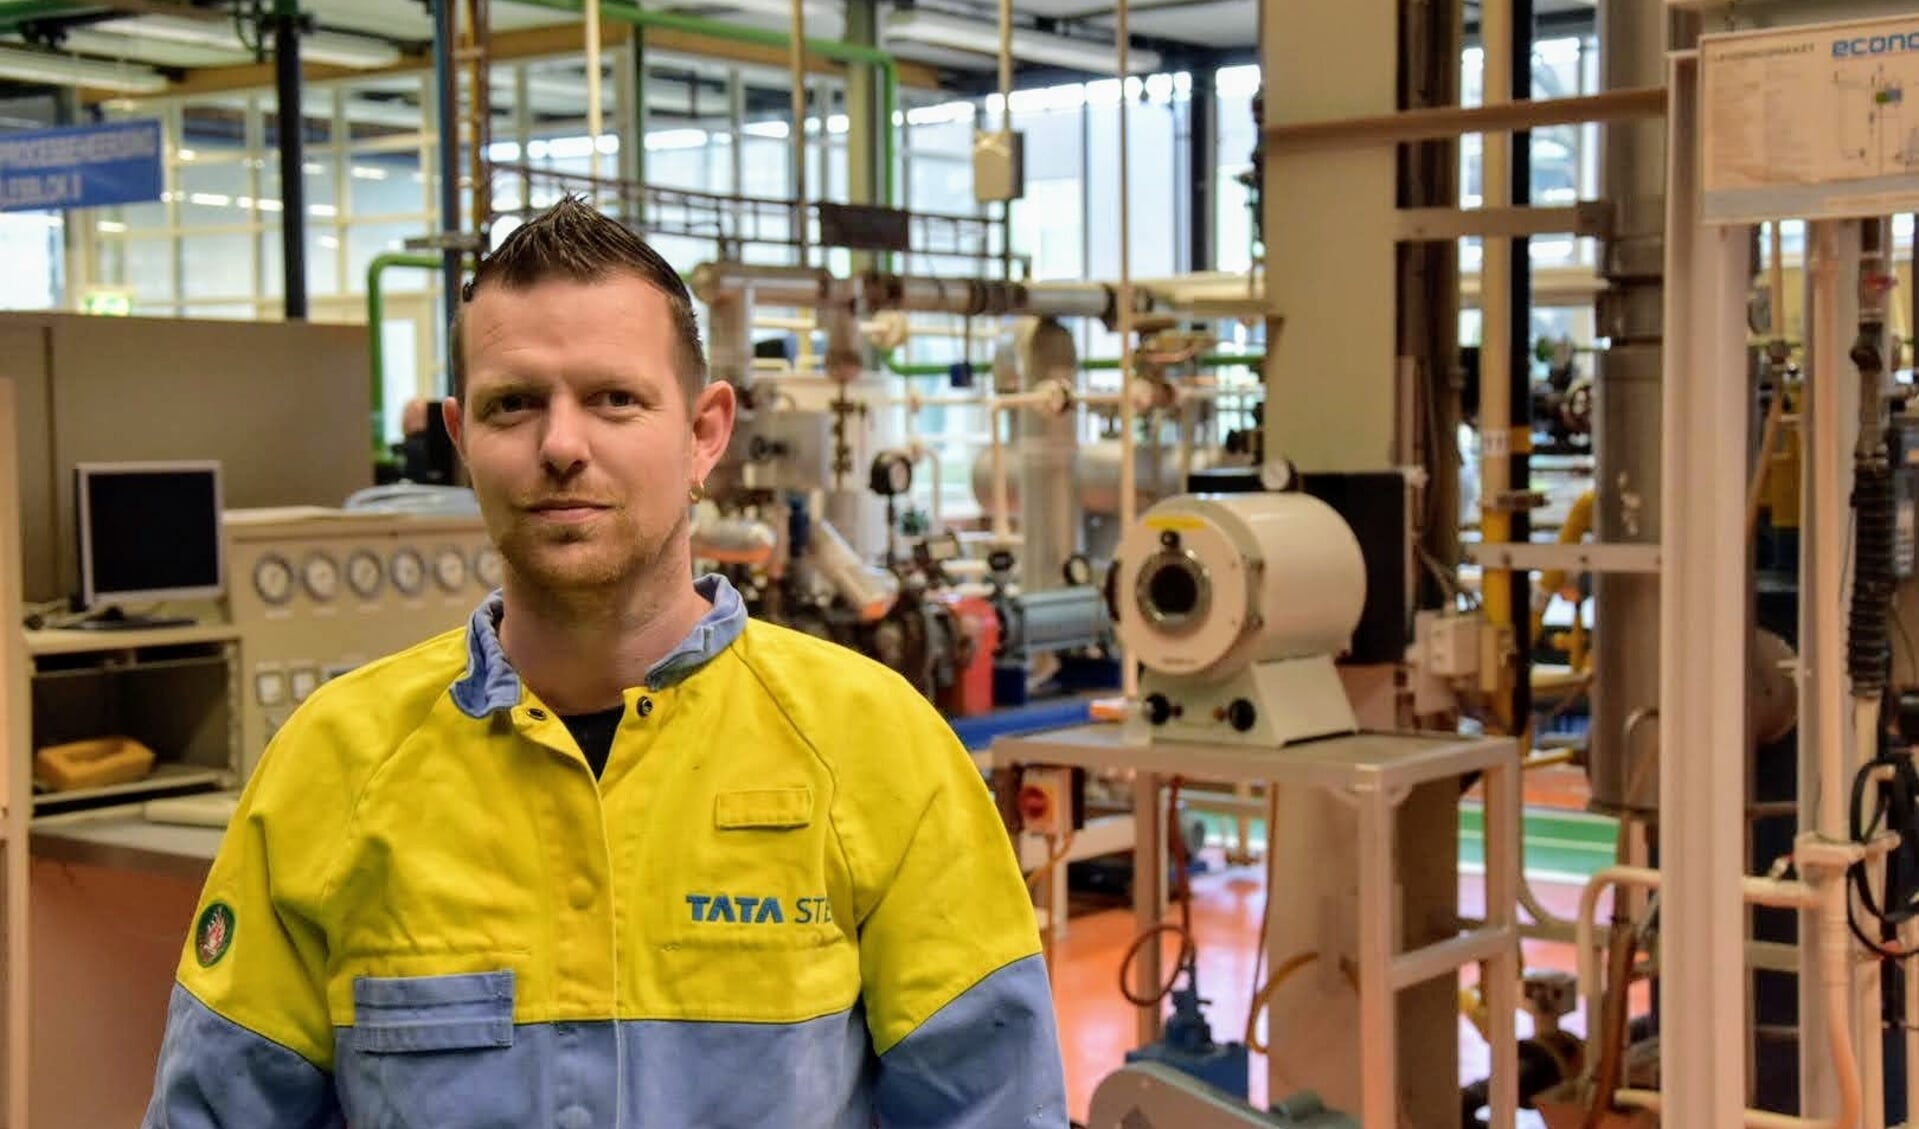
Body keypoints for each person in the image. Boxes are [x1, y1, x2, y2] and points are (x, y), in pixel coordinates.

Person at [142, 196, 1069, 1128]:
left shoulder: (877, 751)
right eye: (515, 404)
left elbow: (989, 1106)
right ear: (463, 441)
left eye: (614, 398)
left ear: (704, 431)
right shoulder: (333, 767)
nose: (561, 446)